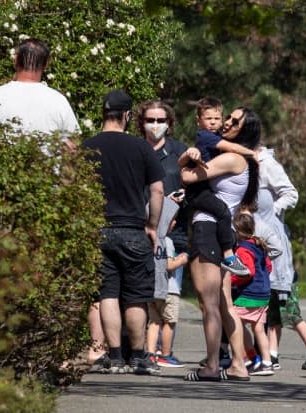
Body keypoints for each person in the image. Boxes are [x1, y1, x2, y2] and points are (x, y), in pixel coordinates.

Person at [83, 89, 165, 375]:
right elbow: (157, 190)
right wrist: (152, 225)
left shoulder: (88, 146)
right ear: (128, 116)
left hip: (99, 229)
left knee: (107, 293)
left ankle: (115, 356)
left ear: (103, 113)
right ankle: (139, 357)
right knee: (135, 295)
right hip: (133, 229)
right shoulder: (141, 148)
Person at [179, 106, 261, 382]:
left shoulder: (233, 158)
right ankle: (238, 364)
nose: (226, 122)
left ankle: (212, 365)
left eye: (233, 121)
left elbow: (189, 177)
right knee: (224, 303)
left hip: (208, 229)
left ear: (244, 131)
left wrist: (189, 160)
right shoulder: (238, 159)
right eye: (228, 117)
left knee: (208, 303)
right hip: (222, 232)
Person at [256, 145, 306, 371]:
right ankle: (273, 354)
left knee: (291, 312)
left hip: (281, 262)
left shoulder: (268, 165)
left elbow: (291, 194)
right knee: (273, 313)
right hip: (267, 251)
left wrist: (272, 213)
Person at [182, 97, 257, 277]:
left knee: (223, 211)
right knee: (222, 210)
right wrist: (251, 152)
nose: (214, 122)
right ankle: (229, 256)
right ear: (198, 120)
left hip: (204, 188)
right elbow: (227, 145)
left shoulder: (216, 138)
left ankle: (229, 254)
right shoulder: (205, 136)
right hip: (198, 190)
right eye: (209, 119)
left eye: (217, 118)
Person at [137, 100, 189, 355]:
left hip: (172, 237)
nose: (155, 125)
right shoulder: (133, 149)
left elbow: (194, 187)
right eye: (150, 119)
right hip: (137, 232)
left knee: (167, 297)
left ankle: (163, 352)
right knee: (140, 296)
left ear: (169, 124)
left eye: (161, 120)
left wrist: (181, 199)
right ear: (141, 122)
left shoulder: (181, 152)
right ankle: (139, 348)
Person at [0, 38, 79, 150]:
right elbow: (73, 146)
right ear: (46, 64)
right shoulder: (58, 100)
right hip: (45, 167)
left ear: (16, 60)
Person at [146, 197, 189, 368]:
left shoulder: (147, 239)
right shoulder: (167, 241)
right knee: (169, 322)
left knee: (154, 322)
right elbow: (169, 265)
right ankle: (165, 354)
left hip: (151, 288)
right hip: (169, 289)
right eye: (172, 219)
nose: (175, 222)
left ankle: (150, 354)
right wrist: (182, 260)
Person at [231, 209, 274, 376]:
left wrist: (230, 280)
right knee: (259, 329)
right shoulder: (259, 245)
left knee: (234, 322)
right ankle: (266, 363)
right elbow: (268, 267)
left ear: (237, 231)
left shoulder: (242, 249)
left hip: (250, 294)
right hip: (264, 293)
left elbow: (248, 272)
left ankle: (250, 359)